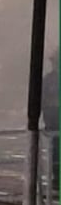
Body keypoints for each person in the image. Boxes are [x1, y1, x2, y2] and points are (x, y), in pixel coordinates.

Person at [43, 47, 59, 178]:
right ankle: (57, 176)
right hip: (54, 124)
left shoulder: (48, 80)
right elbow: (44, 101)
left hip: (53, 122)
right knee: (55, 150)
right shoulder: (48, 80)